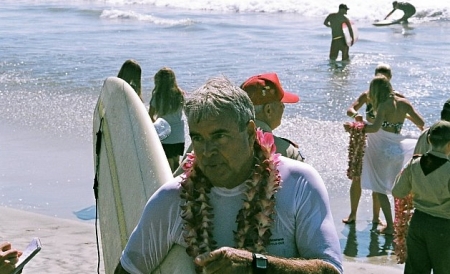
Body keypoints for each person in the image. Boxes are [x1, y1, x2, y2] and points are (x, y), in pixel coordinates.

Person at [115, 76, 343, 274]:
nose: (206, 151)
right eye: (198, 138)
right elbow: (127, 270)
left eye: (219, 136)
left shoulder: (299, 183)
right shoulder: (172, 198)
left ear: (250, 131)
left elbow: (330, 270)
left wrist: (256, 265)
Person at [346, 75, 424, 235]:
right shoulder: (404, 103)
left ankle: (390, 226)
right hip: (398, 150)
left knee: (380, 188)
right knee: (396, 189)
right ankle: (400, 223)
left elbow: (374, 128)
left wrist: (354, 127)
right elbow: (421, 123)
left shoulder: (383, 105)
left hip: (381, 150)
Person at [343, 63, 398, 225]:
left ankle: (376, 217)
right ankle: (353, 214)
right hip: (366, 137)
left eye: (385, 77)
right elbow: (350, 109)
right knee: (357, 177)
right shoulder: (367, 96)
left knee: (377, 180)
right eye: (379, 76)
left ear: (389, 79)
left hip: (382, 141)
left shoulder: (392, 98)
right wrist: (356, 115)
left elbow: (401, 113)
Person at [392, 120, 450, 274]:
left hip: (418, 222)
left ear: (429, 140)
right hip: (444, 226)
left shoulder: (415, 163)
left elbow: (397, 191)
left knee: (415, 270)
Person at [240, 73, 305, 161]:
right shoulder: (289, 152)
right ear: (268, 110)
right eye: (281, 104)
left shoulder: (228, 144)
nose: (284, 107)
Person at [149, 67, 186, 172]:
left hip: (165, 133)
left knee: (168, 166)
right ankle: (179, 186)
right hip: (179, 134)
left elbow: (150, 116)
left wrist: (156, 126)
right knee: (176, 163)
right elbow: (188, 111)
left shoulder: (157, 96)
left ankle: (169, 186)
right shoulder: (180, 94)